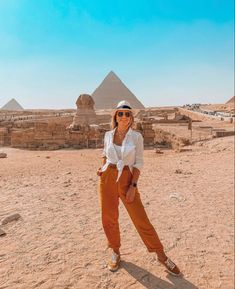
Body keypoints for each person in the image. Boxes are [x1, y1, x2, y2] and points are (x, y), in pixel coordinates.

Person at [97, 100, 181, 276]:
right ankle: (115, 252)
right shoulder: (107, 135)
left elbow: (139, 162)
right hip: (107, 179)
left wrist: (133, 186)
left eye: (127, 114)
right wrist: (102, 167)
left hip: (127, 178)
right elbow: (105, 153)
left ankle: (161, 255)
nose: (124, 117)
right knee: (108, 217)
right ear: (116, 116)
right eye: (120, 113)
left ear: (131, 117)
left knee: (141, 218)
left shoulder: (136, 137)